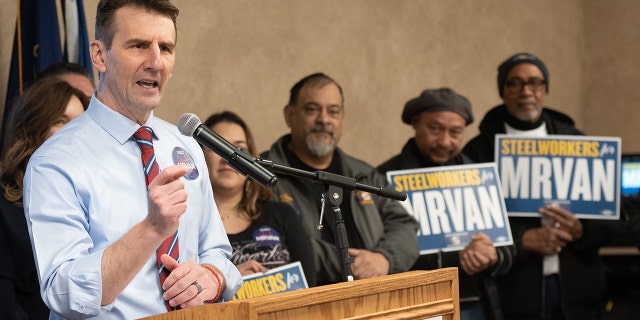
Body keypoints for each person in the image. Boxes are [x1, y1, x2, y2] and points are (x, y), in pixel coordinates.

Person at [22, 1, 242, 318]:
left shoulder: (186, 145)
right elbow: (63, 292)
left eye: (166, 48)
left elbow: (216, 250)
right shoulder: (55, 162)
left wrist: (213, 277)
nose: (156, 62)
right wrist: (152, 228)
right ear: (99, 56)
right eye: (139, 46)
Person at [462, 52, 620, 319]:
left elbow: (615, 221)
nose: (526, 91)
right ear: (503, 90)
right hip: (512, 294)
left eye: (535, 83)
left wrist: (583, 230)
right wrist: (521, 240)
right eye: (515, 83)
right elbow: (467, 223)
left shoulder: (579, 142)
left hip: (578, 291)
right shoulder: (478, 151)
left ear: (545, 90)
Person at [261, 72, 419, 285]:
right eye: (312, 109)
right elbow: (272, 241)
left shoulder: (363, 173)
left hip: (374, 297)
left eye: (333, 112)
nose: (323, 119)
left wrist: (384, 258)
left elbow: (404, 225)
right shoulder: (262, 175)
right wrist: (348, 263)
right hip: (309, 302)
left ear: (342, 117)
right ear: (289, 115)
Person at [377, 87, 513, 320]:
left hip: (479, 304)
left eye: (455, 132)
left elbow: (508, 250)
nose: (444, 141)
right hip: (417, 306)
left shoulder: (480, 177)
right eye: (435, 129)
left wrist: (492, 255)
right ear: (415, 124)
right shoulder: (383, 178)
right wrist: (455, 260)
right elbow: (384, 257)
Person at [0, 77, 89, 320]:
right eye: (61, 121)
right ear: (32, 127)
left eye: (82, 122)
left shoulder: (93, 198)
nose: (75, 131)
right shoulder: (4, 207)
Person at [202, 111, 316, 287]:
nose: (228, 157)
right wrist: (229, 279)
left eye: (239, 148)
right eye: (217, 146)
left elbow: (310, 290)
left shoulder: (283, 216)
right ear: (199, 155)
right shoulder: (187, 224)